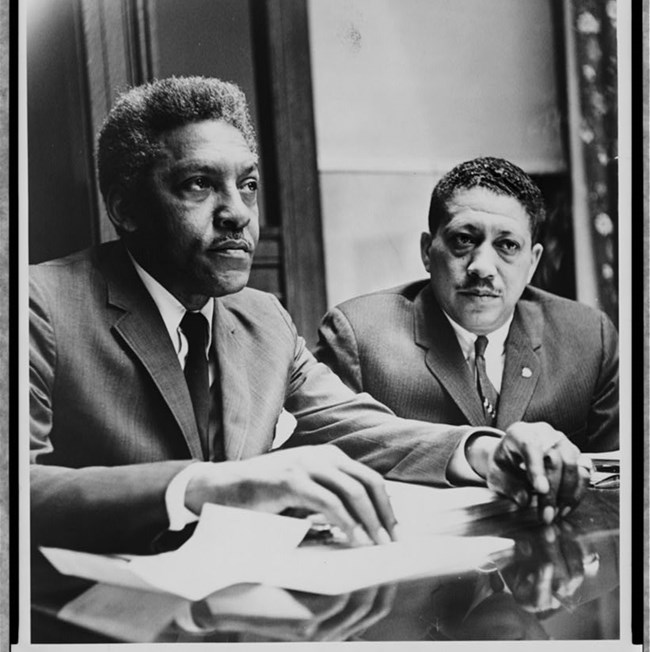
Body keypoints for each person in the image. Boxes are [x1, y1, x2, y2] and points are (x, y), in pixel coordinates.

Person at [30, 84, 588, 557]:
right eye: (198, 184)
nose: (239, 213)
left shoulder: (261, 318)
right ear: (125, 207)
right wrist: (206, 486)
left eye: (247, 184)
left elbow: (361, 426)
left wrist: (488, 452)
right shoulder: (41, 304)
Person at [316, 157, 618, 521]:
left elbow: (617, 483)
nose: (482, 267)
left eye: (507, 245)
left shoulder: (588, 336)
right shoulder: (359, 335)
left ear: (533, 263)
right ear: (428, 251)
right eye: (464, 240)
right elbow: (319, 465)